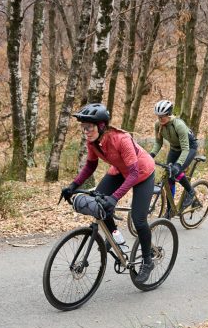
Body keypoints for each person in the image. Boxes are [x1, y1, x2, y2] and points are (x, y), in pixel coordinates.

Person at [61, 103, 157, 283]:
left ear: (101, 125)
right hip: (120, 171)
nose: (85, 131)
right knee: (99, 204)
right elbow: (91, 165)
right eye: (83, 128)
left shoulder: (122, 139)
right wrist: (72, 186)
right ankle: (116, 238)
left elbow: (134, 173)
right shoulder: (93, 142)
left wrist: (114, 197)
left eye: (88, 127)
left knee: (139, 219)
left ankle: (147, 260)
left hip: (142, 173)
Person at [149, 100, 198, 212]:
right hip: (175, 149)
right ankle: (170, 209)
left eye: (162, 117)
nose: (160, 119)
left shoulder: (179, 125)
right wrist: (151, 155)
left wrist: (178, 164)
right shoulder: (158, 125)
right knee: (169, 176)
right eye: (158, 117)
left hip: (189, 148)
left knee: (176, 170)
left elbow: (185, 149)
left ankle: (191, 192)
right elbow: (158, 143)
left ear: (168, 114)